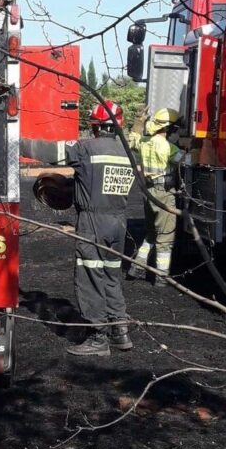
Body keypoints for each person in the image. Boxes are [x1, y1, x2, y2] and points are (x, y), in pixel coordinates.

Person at [61, 101, 135, 356]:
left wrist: (14, 140)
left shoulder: (86, 148)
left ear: (94, 127)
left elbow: (48, 150)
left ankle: (98, 338)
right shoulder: (128, 152)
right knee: (111, 277)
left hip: (93, 223)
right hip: (119, 223)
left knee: (90, 277)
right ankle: (120, 331)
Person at [127, 107, 183, 286]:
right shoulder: (170, 148)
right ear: (169, 128)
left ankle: (136, 268)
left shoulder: (145, 142)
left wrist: (138, 121)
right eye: (176, 129)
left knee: (151, 233)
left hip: (148, 193)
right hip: (165, 194)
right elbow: (189, 161)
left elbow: (132, 140)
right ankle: (161, 277)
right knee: (165, 238)